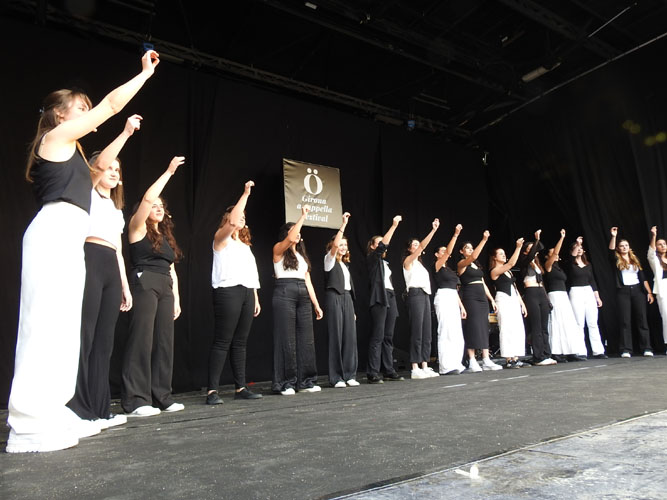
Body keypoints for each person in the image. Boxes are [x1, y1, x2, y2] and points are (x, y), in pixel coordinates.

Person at [7, 50, 160, 453]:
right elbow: (111, 104)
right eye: (80, 108)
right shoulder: (54, 139)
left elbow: (105, 158)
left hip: (69, 239)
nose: (87, 113)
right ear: (60, 115)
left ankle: (52, 411)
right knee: (42, 326)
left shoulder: (74, 152)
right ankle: (27, 425)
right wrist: (144, 75)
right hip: (53, 233)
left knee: (62, 329)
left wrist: (124, 133)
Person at [68, 115, 143, 430]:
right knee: (85, 335)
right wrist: (125, 133)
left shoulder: (115, 209)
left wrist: (124, 286)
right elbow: (98, 166)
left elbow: (118, 250)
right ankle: (78, 407)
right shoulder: (86, 191)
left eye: (117, 170)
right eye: (109, 167)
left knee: (104, 340)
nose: (113, 172)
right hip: (90, 258)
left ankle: (99, 408)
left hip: (111, 266)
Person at [121, 156, 185, 416]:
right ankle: (136, 400)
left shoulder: (165, 236)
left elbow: (172, 268)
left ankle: (162, 396)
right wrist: (169, 171)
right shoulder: (136, 227)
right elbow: (147, 199)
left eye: (162, 206)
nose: (158, 208)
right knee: (142, 339)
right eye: (154, 205)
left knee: (164, 342)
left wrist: (176, 298)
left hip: (165, 287)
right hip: (145, 281)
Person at [206, 181, 262, 405]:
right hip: (227, 292)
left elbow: (251, 275)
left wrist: (255, 298)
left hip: (247, 292)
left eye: (243, 216)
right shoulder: (221, 239)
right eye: (238, 215)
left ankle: (241, 387)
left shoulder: (245, 246)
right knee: (223, 341)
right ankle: (212, 391)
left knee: (240, 342)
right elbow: (232, 221)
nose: (241, 218)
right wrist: (245, 194)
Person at [272, 205, 324, 395]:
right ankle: (286, 383)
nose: (297, 233)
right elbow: (291, 238)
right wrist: (303, 216)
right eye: (293, 230)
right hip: (285, 291)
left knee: (306, 339)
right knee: (286, 339)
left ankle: (306, 381)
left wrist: (316, 304)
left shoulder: (301, 256)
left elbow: (308, 281)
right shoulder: (278, 249)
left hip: (302, 293)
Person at [366, 216, 404, 384]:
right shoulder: (372, 259)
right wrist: (393, 226)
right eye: (379, 243)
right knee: (378, 335)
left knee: (388, 336)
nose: (382, 245)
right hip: (379, 298)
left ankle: (388, 370)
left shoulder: (385, 263)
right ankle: (373, 372)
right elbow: (383, 246)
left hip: (390, 296)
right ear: (373, 246)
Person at [457, 231, 501, 372]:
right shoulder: (462, 264)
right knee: (473, 327)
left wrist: (491, 299)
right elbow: (474, 256)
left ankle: (486, 358)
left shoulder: (477, 265)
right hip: (471, 297)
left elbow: (483, 283)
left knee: (484, 326)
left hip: (482, 297)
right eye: (467, 248)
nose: (470, 250)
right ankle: (472, 359)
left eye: (472, 247)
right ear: (461, 251)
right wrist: (483, 240)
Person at [325, 212, 359, 387]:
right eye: (341, 244)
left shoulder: (345, 265)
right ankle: (336, 377)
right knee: (336, 337)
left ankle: (349, 374)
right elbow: (335, 245)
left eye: (346, 245)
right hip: (334, 298)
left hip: (347, 299)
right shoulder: (329, 260)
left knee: (349, 337)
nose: (343, 247)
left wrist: (351, 309)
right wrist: (343, 225)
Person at [403, 219, 440, 379]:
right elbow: (423, 246)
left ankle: (424, 364)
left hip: (425, 295)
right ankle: (414, 366)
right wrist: (433, 231)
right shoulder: (408, 261)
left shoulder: (421, 265)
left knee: (426, 331)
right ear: (409, 249)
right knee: (417, 331)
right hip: (415, 294)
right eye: (415, 245)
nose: (418, 247)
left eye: (418, 245)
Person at [608, 227, 654, 357]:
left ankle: (647, 348)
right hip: (623, 291)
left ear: (629, 247)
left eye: (626, 245)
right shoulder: (617, 259)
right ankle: (626, 349)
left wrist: (649, 293)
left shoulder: (635, 260)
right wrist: (614, 236)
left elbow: (643, 278)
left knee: (642, 319)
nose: (624, 247)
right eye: (622, 246)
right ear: (618, 248)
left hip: (638, 290)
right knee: (625, 321)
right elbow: (610, 251)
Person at [543, 229, 588, 362]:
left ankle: (570, 351)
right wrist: (562, 238)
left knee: (568, 323)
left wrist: (578, 245)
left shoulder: (559, 267)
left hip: (563, 295)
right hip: (554, 295)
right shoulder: (548, 266)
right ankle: (556, 352)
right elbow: (556, 252)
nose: (555, 255)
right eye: (552, 253)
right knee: (557, 323)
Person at [433, 224, 467, 375]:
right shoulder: (437, 265)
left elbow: (455, 289)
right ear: (436, 255)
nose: (445, 252)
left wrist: (462, 306)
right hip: (443, 297)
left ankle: (456, 363)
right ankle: (445, 366)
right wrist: (455, 235)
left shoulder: (450, 270)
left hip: (453, 297)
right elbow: (448, 252)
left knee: (456, 332)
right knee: (445, 330)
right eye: (441, 251)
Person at [489, 237, 528, 369]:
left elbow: (515, 288)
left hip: (513, 299)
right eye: (500, 254)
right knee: (506, 328)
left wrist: (522, 303)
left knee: (517, 327)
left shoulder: (509, 272)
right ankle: (508, 358)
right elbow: (511, 263)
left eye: (504, 253)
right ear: (494, 258)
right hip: (503, 299)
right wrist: (518, 247)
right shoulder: (494, 271)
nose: (503, 255)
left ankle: (515, 357)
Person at [518, 230, 556, 366]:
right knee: (536, 326)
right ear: (525, 251)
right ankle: (538, 356)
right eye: (530, 248)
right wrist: (536, 240)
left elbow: (542, 282)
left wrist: (547, 299)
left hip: (541, 292)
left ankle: (547, 354)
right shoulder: (524, 261)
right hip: (531, 292)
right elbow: (531, 255)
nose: (534, 250)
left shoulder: (537, 263)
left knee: (544, 326)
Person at [567, 236, 607, 359]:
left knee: (593, 322)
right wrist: (578, 243)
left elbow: (592, 281)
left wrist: (597, 297)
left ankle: (598, 351)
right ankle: (581, 351)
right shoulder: (570, 264)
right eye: (576, 248)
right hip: (576, 291)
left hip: (588, 291)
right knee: (579, 323)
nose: (579, 249)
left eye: (581, 247)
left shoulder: (588, 265)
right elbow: (572, 257)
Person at [648, 226, 667, 347]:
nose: (663, 246)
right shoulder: (655, 260)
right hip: (663, 288)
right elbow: (651, 252)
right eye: (660, 244)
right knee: (666, 316)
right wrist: (654, 236)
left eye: (664, 244)